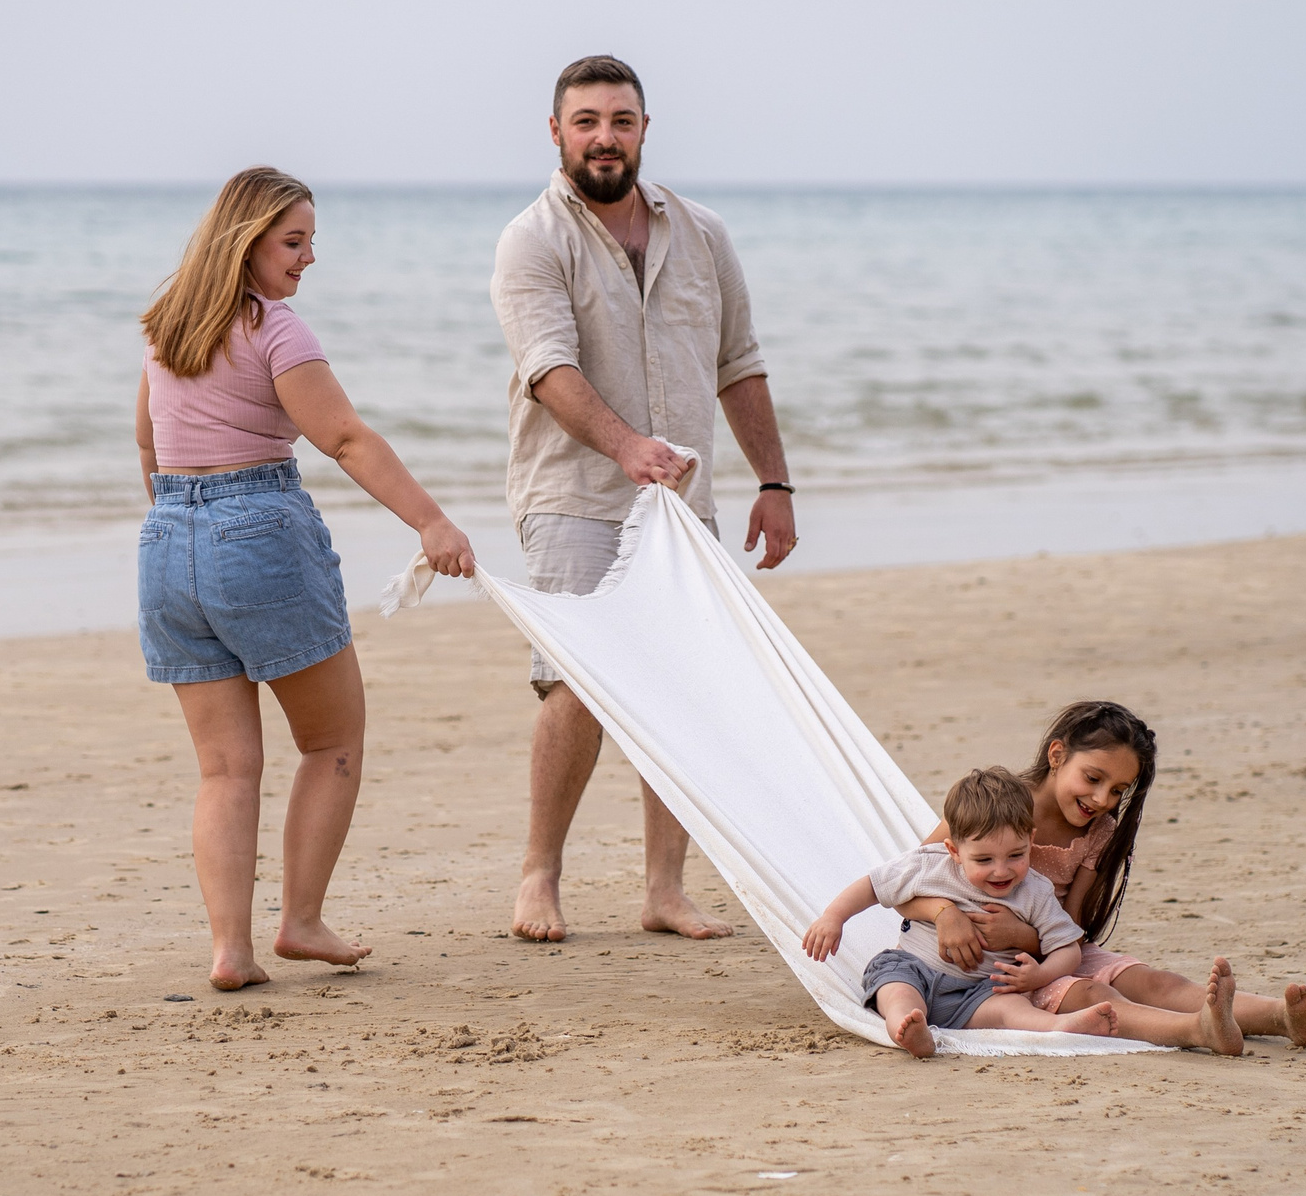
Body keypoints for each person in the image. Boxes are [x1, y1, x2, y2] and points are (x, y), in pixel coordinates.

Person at [135, 167, 476, 992]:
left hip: (165, 540)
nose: (309, 257)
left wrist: (185, 527)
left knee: (224, 768)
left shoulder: (164, 330)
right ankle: (301, 920)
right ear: (245, 241)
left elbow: (148, 446)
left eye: (311, 241)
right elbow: (346, 439)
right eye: (294, 241)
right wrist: (431, 522)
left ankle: (230, 950)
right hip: (257, 529)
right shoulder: (276, 331)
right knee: (331, 741)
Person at [490, 54, 800, 944]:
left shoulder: (700, 233)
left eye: (620, 120)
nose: (603, 137)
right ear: (556, 133)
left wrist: (773, 482)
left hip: (682, 500)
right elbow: (548, 370)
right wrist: (629, 448)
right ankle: (539, 875)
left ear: (644, 130)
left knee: (684, 691)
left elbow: (738, 362)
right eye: (585, 121)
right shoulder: (532, 239)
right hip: (572, 493)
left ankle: (664, 889)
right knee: (577, 684)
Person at [915, 701, 1306, 1046]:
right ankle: (1198, 1030)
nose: (1101, 799)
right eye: (1093, 778)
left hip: (1057, 950)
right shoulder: (991, 808)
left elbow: (1074, 927)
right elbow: (908, 876)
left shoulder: (1099, 830)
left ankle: (1281, 1017)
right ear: (1056, 755)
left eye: (1117, 790)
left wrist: (1024, 935)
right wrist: (943, 914)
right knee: (1099, 995)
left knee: (1156, 983)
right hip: (997, 970)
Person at [806, 768, 1243, 1058]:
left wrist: (1039, 976)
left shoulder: (1033, 889)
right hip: (917, 967)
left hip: (981, 992)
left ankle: (1066, 1026)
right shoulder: (929, 866)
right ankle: (909, 1027)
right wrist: (833, 917)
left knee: (1015, 1010)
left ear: (1031, 841)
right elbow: (873, 885)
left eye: (1016, 854)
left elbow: (1068, 947)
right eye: (984, 861)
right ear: (954, 850)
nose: (1002, 871)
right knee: (895, 987)